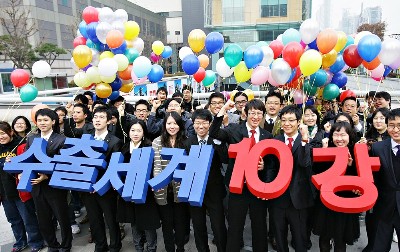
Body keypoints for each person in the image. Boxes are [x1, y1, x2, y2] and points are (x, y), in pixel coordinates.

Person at [209, 99, 274, 252]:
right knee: (235, 226)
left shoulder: (268, 136)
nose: (255, 116)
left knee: (260, 226)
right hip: (238, 187)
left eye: (259, 113)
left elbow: (271, 163)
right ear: (245, 114)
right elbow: (213, 133)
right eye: (252, 113)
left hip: (258, 188)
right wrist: (223, 109)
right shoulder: (234, 130)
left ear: (263, 115)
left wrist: (264, 167)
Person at [24, 108, 73, 252]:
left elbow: (65, 164)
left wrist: (47, 176)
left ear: (53, 121)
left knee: (62, 217)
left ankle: (66, 245)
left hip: (55, 185)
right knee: (43, 218)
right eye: (39, 120)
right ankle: (52, 245)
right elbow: (28, 159)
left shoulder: (62, 139)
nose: (42, 123)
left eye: (45, 120)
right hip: (36, 185)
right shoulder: (32, 138)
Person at [269, 105, 315, 252]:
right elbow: (271, 168)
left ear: (299, 121)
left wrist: (305, 140)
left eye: (291, 120)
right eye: (283, 120)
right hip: (278, 198)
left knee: (300, 238)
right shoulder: (275, 140)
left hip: (299, 199)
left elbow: (305, 163)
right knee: (279, 238)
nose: (287, 124)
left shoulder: (305, 141)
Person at [313, 122, 361, 252]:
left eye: (343, 135)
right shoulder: (326, 150)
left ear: (350, 136)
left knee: (341, 241)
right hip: (326, 202)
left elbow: (360, 179)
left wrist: (349, 166)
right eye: (336, 134)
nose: (339, 139)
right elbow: (317, 173)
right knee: (324, 239)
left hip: (346, 202)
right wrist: (324, 153)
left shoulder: (356, 153)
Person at [184, 109, 227, 252]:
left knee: (219, 225)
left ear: (210, 124)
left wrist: (219, 144)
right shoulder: (188, 142)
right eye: (197, 123)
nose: (200, 126)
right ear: (193, 124)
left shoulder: (216, 139)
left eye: (204, 123)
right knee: (198, 226)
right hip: (194, 191)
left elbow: (225, 159)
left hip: (214, 189)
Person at [81, 106, 122, 252]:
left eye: (102, 117)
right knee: (94, 219)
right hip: (87, 187)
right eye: (96, 117)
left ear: (109, 121)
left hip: (106, 187)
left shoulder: (115, 141)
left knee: (111, 219)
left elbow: (113, 167)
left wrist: (99, 184)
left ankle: (115, 246)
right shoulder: (86, 138)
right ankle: (100, 245)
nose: (98, 120)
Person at [116, 119, 160, 252]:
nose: (135, 133)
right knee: (134, 221)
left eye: (139, 130)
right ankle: (138, 247)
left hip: (145, 191)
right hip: (128, 189)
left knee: (148, 222)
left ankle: (151, 248)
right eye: (133, 130)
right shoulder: (123, 147)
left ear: (144, 132)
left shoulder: (149, 146)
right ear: (128, 132)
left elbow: (154, 169)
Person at [0, 121, 45, 252]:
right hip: (5, 192)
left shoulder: (21, 146)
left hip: (21, 190)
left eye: (3, 133)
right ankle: (20, 242)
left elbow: (29, 164)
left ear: (11, 132)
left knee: (28, 218)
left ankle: (36, 242)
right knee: (14, 220)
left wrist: (14, 163)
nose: (1, 137)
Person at [152, 112, 189, 252]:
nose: (172, 126)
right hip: (163, 190)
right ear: (164, 125)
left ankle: (180, 248)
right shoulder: (157, 141)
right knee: (167, 223)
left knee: (180, 222)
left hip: (181, 189)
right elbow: (157, 165)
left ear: (180, 125)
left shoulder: (186, 141)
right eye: (169, 123)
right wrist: (158, 183)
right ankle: (169, 249)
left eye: (175, 123)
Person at [370, 108, 400, 252]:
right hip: (383, 208)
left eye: (399, 126)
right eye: (392, 125)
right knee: (379, 248)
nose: (395, 129)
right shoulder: (377, 147)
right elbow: (374, 177)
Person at [362, 108, 390, 252]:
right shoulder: (367, 136)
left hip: (388, 183)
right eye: (375, 118)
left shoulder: (392, 138)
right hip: (372, 182)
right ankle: (371, 243)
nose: (378, 121)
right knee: (371, 217)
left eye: (381, 118)